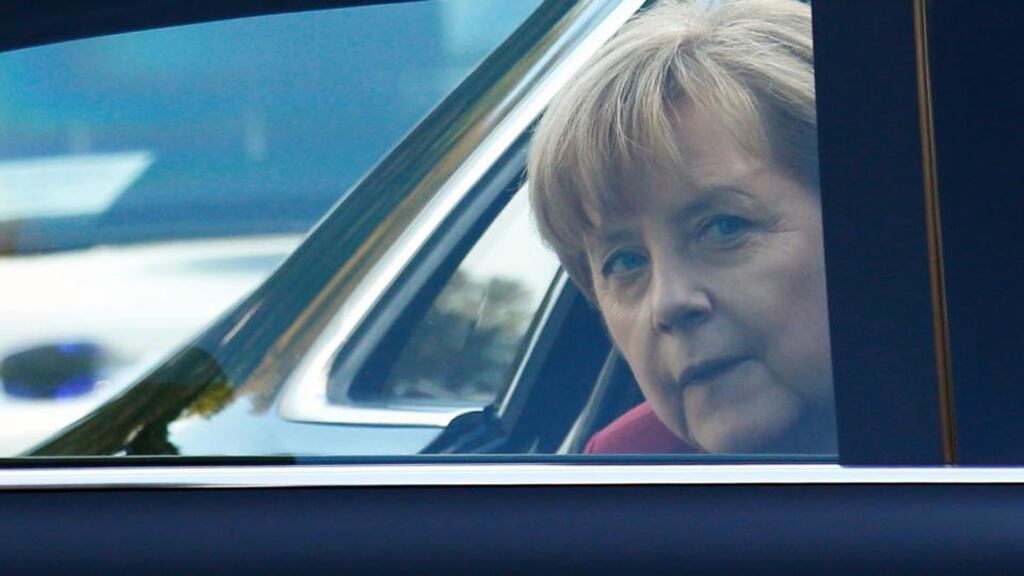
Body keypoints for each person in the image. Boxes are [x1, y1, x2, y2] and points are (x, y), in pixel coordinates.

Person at [527, 0, 836, 454]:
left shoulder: (973, 437)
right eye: (625, 261)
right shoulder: (620, 480)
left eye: (724, 227)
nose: (668, 303)